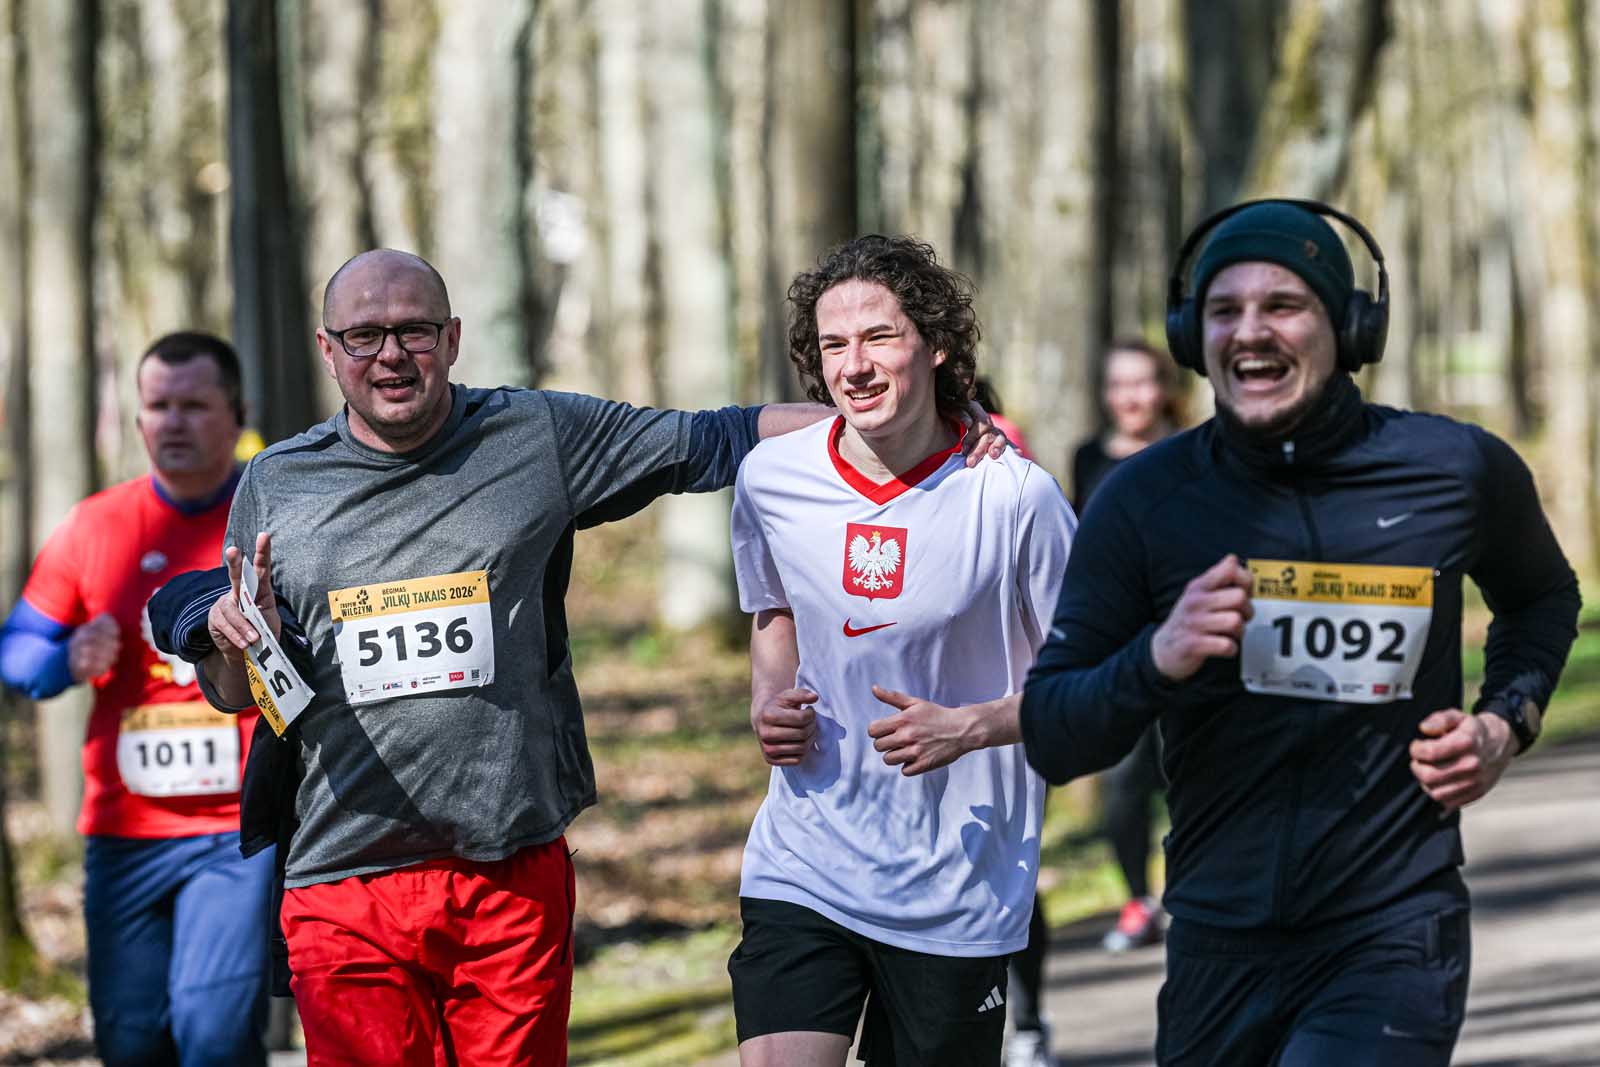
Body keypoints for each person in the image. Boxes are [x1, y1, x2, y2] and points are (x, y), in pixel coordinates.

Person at [180, 247, 1002, 1067]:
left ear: (453, 338)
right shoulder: (279, 483)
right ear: (329, 350)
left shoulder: (533, 436)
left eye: (414, 331)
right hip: (343, 877)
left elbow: (720, 437)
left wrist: (936, 425)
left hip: (507, 871)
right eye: (364, 336)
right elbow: (236, 692)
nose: (391, 355)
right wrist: (227, 641)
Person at [1019, 199, 1581, 1066]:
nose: (1251, 331)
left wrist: (1505, 723)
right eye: (1224, 310)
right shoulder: (1143, 500)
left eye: (1283, 305)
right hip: (1215, 937)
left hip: (1393, 926)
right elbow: (1054, 732)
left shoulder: (1454, 470)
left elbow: (1542, 597)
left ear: (1350, 328)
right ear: (1192, 337)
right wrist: (1158, 656)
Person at [729, 235, 1075, 1067]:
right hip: (805, 858)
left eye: (879, 336)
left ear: (936, 343)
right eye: (833, 344)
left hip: (957, 881)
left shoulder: (1014, 495)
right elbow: (774, 603)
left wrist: (972, 726)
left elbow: (1092, 678)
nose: (855, 365)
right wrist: (768, 696)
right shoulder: (772, 478)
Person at [0, 332, 272, 1067]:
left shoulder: (271, 514)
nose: (173, 422)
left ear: (237, 414)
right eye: (158, 406)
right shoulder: (96, 525)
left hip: (237, 831)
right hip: (126, 833)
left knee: (215, 1037)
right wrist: (64, 657)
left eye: (194, 405)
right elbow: (17, 649)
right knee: (130, 1041)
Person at [1004, 340, 1182, 1067]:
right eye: (1119, 384)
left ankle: (1191, 895)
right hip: (1121, 649)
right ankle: (1140, 896)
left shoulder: (1194, 450)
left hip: (1193, 641)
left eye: (1143, 382)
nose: (1131, 397)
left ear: (1164, 388)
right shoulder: (1085, 457)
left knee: (1188, 776)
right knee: (1122, 787)